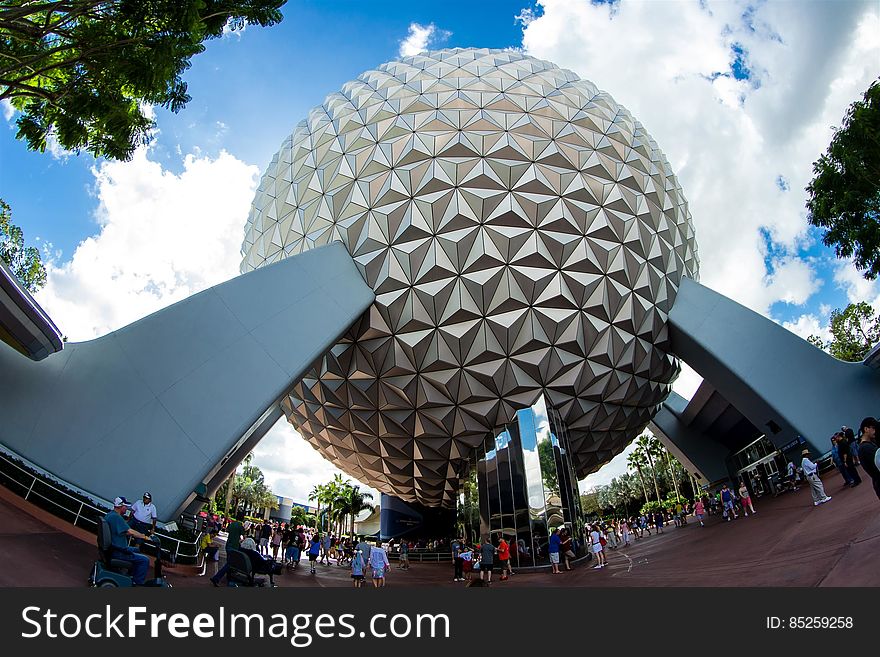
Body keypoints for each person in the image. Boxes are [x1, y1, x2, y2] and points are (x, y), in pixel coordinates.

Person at [104, 496, 151, 585]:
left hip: (115, 548)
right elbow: (130, 531)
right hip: (119, 552)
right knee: (145, 560)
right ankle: (137, 583)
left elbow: (123, 531)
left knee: (137, 550)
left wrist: (131, 534)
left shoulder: (110, 515)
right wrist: (144, 537)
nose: (127, 508)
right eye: (125, 506)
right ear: (121, 506)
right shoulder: (117, 517)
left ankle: (130, 576)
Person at [211, 513, 244, 586]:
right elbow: (242, 536)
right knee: (230, 564)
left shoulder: (232, 524)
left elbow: (228, 530)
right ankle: (216, 578)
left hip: (228, 545)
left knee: (229, 563)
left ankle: (228, 578)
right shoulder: (240, 526)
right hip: (234, 547)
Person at [857, 417, 880, 502]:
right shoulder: (866, 448)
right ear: (866, 429)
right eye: (873, 428)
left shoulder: (866, 446)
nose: (875, 431)